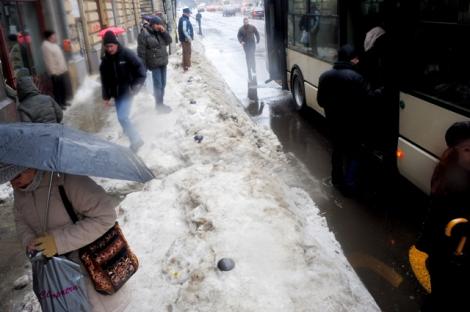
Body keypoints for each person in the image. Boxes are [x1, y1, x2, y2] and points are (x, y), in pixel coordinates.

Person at [0, 165, 129, 312]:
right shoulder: (20, 192)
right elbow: (20, 221)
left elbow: (106, 216)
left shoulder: (68, 180)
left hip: (91, 273)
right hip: (57, 278)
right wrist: (29, 241)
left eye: (16, 176)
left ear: (32, 166)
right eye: (8, 178)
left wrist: (57, 242)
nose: (12, 183)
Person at [415, 121, 470, 311]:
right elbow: (435, 220)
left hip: (453, 257)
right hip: (448, 259)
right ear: (454, 152)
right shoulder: (450, 182)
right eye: (467, 150)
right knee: (442, 298)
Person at [317, 45, 377, 196]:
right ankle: (350, 184)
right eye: (356, 58)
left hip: (333, 123)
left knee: (337, 151)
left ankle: (336, 180)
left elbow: (320, 101)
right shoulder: (357, 78)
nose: (358, 61)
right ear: (352, 59)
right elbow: (368, 100)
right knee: (354, 154)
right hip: (353, 125)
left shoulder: (325, 76)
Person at [100, 31, 146, 152]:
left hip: (127, 92)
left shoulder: (126, 54)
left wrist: (135, 87)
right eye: (107, 46)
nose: (109, 49)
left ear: (116, 44)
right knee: (123, 117)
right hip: (116, 94)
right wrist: (106, 96)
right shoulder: (105, 61)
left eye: (111, 46)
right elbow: (105, 81)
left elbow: (141, 70)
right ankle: (129, 132)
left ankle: (137, 140)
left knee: (122, 117)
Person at [138, 16, 173, 113]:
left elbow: (169, 41)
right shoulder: (144, 34)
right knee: (158, 85)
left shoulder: (160, 32)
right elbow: (141, 53)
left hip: (163, 63)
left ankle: (161, 103)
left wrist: (164, 32)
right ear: (152, 24)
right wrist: (142, 68)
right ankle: (159, 106)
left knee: (163, 84)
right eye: (158, 24)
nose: (159, 26)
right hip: (154, 64)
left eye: (160, 24)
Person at [41, 30, 72, 109]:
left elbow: (60, 58)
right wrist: (53, 72)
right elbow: (49, 61)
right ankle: (59, 104)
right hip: (55, 72)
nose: (55, 37)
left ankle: (64, 102)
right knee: (57, 89)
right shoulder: (46, 46)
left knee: (62, 87)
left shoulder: (54, 45)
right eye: (53, 36)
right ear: (49, 37)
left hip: (61, 70)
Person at [237, 18, 260, 82]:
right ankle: (249, 71)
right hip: (246, 46)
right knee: (248, 57)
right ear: (243, 22)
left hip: (252, 45)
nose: (246, 23)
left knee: (252, 56)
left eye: (247, 22)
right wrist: (241, 41)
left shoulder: (252, 27)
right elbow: (239, 36)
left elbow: (256, 33)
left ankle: (254, 69)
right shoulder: (241, 29)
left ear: (248, 22)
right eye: (245, 22)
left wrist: (258, 39)